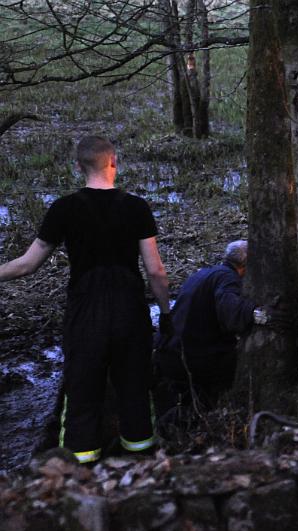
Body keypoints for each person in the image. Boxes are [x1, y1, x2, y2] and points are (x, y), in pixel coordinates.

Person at [0, 135, 171, 465]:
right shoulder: (137, 206)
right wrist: (165, 312)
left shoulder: (64, 208)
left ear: (78, 166)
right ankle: (142, 467)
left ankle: (81, 474)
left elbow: (27, 264)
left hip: (85, 310)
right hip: (129, 310)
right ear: (114, 162)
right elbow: (156, 271)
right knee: (135, 389)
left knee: (81, 393)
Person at [153, 240, 285, 413]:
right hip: (192, 357)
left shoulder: (204, 274)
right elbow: (228, 307)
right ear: (246, 266)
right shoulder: (227, 277)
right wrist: (260, 315)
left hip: (170, 351)